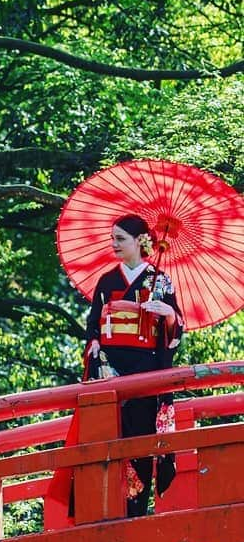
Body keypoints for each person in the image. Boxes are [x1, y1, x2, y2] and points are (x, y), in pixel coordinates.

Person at [84, 213, 184, 516]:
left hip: (146, 373)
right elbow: (92, 327)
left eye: (120, 239)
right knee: (109, 443)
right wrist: (95, 343)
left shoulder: (160, 280)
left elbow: (176, 328)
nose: (113, 244)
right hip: (110, 370)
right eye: (112, 238)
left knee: (140, 444)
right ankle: (108, 513)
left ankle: (137, 512)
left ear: (140, 242)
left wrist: (166, 312)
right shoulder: (106, 281)